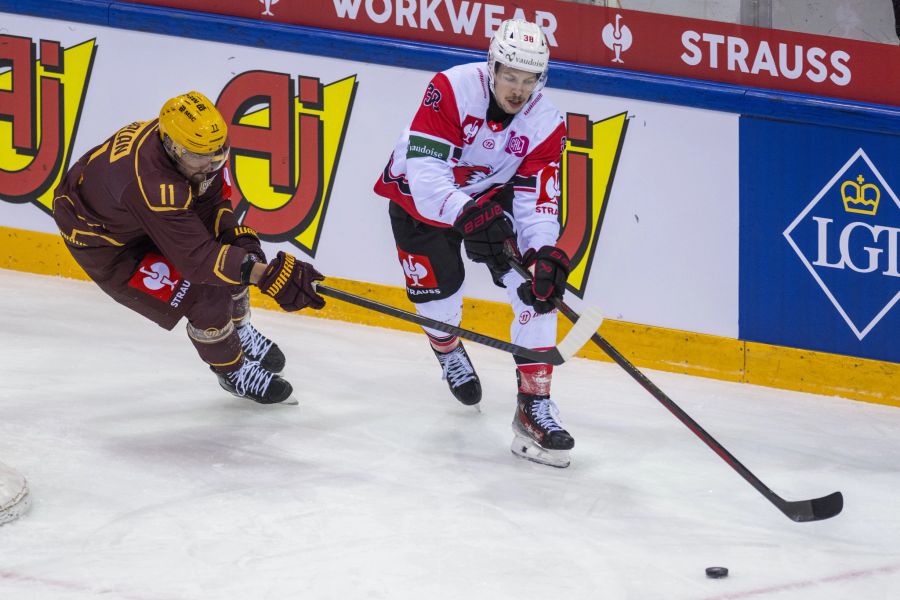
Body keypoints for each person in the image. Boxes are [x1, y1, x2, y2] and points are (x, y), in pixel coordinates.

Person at [374, 20, 574, 468]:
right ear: (492, 67)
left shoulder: (546, 121)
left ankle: (534, 404)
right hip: (421, 203)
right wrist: (465, 213)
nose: (518, 90)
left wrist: (542, 251)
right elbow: (427, 179)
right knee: (439, 303)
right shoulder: (450, 88)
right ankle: (446, 348)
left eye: (529, 79)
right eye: (510, 77)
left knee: (535, 288)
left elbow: (536, 200)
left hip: (489, 197)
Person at [52, 91, 325, 405]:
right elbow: (198, 261)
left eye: (218, 152)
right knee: (205, 293)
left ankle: (239, 328)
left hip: (133, 214)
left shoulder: (196, 151)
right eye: (202, 156)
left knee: (231, 255)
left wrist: (241, 243)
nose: (213, 162)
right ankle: (232, 371)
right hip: (111, 246)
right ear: (171, 146)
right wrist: (265, 275)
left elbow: (212, 202)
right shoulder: (154, 184)